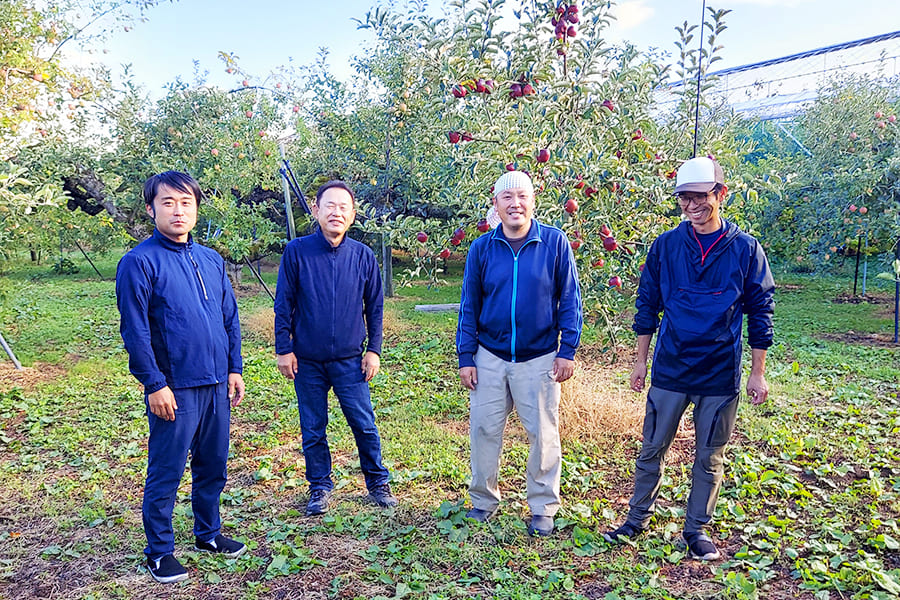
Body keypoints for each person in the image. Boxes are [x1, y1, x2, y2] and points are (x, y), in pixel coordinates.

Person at [603, 156, 775, 560]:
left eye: (700, 197)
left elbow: (761, 310)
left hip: (719, 372)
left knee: (709, 455)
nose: (692, 206)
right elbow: (648, 304)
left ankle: (696, 530)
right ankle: (636, 520)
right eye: (684, 199)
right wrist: (640, 360)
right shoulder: (666, 246)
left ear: (721, 194)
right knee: (651, 446)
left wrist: (758, 373)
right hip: (671, 367)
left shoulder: (746, 250)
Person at [116, 171, 247, 584]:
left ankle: (208, 534)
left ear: (195, 208)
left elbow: (229, 318)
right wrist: (154, 383)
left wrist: (234, 367)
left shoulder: (210, 259)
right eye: (168, 202)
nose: (178, 210)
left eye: (186, 202)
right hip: (175, 388)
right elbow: (134, 330)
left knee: (213, 466)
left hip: (215, 384)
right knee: (167, 470)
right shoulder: (139, 262)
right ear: (152, 207)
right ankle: (159, 552)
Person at [456, 170, 582, 537]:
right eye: (506, 198)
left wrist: (567, 349)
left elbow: (570, 301)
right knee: (483, 430)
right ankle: (483, 500)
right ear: (495, 205)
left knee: (543, 434)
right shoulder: (482, 248)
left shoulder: (555, 243)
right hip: (490, 355)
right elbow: (469, 305)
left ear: (533, 201)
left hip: (539, 357)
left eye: (522, 196)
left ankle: (542, 506)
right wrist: (467, 356)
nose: (515, 204)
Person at [274, 180, 397, 516]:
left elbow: (374, 307)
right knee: (313, 428)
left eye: (344, 207)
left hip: (350, 361)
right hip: (307, 361)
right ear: (316, 209)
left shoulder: (362, 256)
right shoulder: (297, 252)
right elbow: (283, 303)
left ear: (353, 214)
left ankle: (377, 482)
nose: (336, 212)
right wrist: (283, 348)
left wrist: (374, 350)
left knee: (364, 423)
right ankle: (319, 486)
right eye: (329, 205)